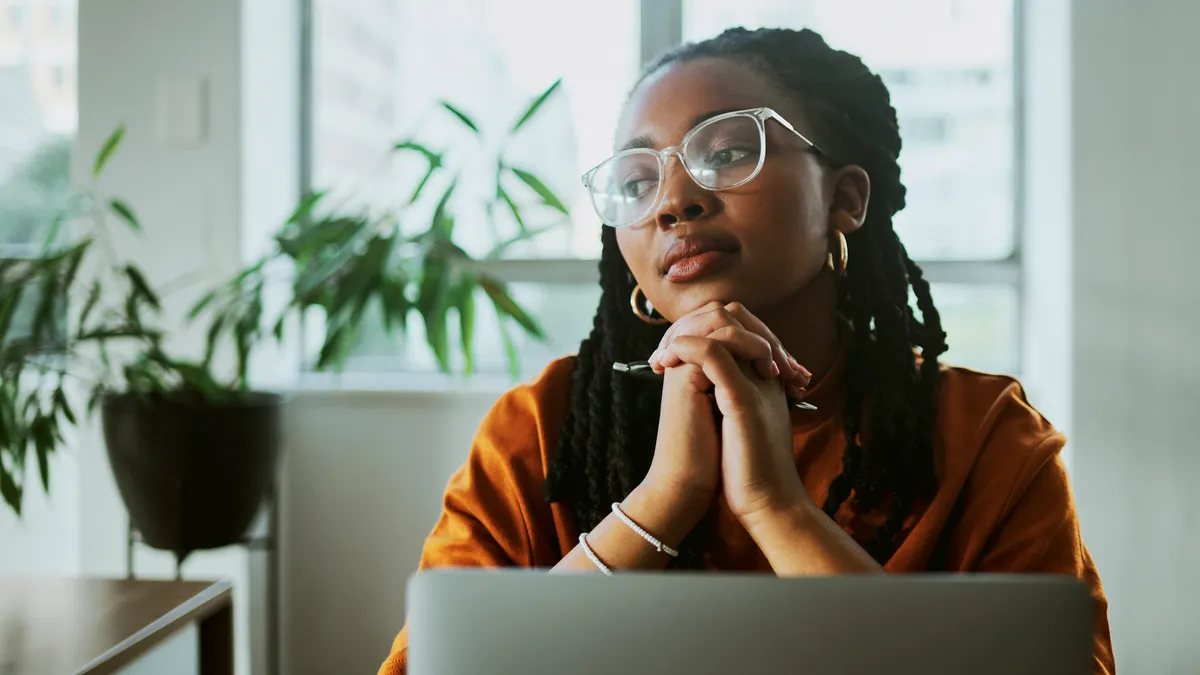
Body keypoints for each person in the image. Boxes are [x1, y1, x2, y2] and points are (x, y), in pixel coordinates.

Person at [379, 27, 1114, 675]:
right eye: (637, 180)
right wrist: (659, 504)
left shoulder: (989, 441)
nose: (673, 201)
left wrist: (778, 508)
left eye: (726, 151)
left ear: (845, 200)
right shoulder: (539, 431)